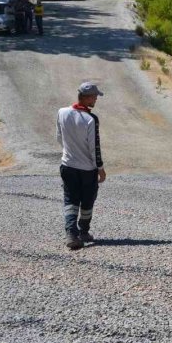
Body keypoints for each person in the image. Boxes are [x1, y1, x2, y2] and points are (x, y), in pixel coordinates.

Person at [55, 82, 106, 250]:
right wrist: (100, 168)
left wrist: (70, 152)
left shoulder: (62, 112)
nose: (96, 99)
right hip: (87, 168)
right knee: (87, 200)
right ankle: (83, 231)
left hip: (67, 164)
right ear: (85, 97)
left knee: (70, 199)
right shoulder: (91, 119)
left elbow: (59, 137)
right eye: (94, 96)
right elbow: (94, 147)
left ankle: (71, 234)